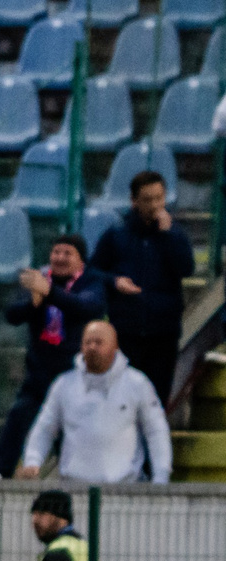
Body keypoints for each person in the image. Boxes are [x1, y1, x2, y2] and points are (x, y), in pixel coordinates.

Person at [0, 236, 108, 478]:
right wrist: (34, 304)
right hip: (39, 372)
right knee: (19, 416)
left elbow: (85, 307)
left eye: (67, 253)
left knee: (72, 430)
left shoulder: (91, 281)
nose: (60, 258)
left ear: (80, 260)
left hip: (74, 376)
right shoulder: (38, 279)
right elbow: (12, 314)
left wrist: (50, 292)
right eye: (56, 252)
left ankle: (79, 477)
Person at [16, 319, 172, 485]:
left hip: (125, 489)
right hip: (74, 489)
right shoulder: (63, 385)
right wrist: (33, 460)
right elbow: (44, 428)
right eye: (87, 343)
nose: (92, 347)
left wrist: (161, 476)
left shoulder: (137, 383)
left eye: (99, 343)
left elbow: (156, 431)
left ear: (115, 347)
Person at [88, 169, 195, 399]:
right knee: (122, 400)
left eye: (159, 198)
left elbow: (186, 269)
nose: (155, 205)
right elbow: (92, 270)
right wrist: (114, 281)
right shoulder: (116, 235)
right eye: (148, 199)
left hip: (163, 333)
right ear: (134, 201)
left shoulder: (175, 234)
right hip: (127, 331)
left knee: (156, 400)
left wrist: (169, 237)